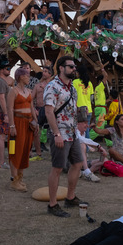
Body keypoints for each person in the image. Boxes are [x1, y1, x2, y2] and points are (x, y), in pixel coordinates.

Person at [43, 56, 84, 218]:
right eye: (71, 66)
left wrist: (79, 125)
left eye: (75, 67)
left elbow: (73, 110)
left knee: (78, 163)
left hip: (72, 133)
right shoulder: (52, 86)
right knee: (57, 168)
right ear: (61, 68)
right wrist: (57, 134)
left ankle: (70, 197)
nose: (74, 69)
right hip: (59, 133)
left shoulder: (72, 88)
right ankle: (52, 205)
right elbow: (48, 111)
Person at [7, 68, 38, 192]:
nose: (29, 77)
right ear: (20, 77)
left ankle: (20, 178)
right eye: (27, 75)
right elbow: (9, 109)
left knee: (25, 150)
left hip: (28, 123)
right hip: (18, 122)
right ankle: (14, 180)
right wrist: (12, 126)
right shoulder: (13, 91)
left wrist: (36, 122)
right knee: (16, 150)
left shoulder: (29, 91)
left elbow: (32, 107)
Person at [34, 65, 53, 155]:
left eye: (46, 71)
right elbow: (31, 98)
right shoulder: (38, 85)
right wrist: (34, 109)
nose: (43, 73)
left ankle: (44, 143)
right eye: (43, 71)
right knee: (38, 128)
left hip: (48, 108)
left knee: (47, 128)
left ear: (50, 74)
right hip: (39, 108)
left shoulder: (53, 85)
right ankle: (38, 146)